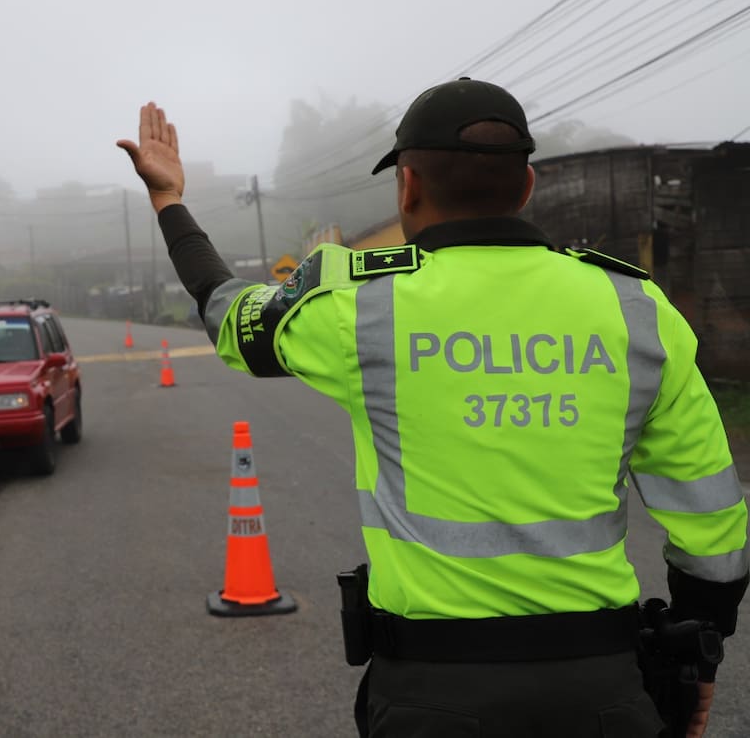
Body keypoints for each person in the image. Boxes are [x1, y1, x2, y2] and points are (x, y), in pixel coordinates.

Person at [118, 81, 748, 738]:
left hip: (431, 697)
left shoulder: (360, 308)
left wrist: (170, 201)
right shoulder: (639, 311)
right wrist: (696, 658)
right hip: (603, 690)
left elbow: (226, 310)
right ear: (527, 184)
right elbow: (715, 530)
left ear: (408, 185)